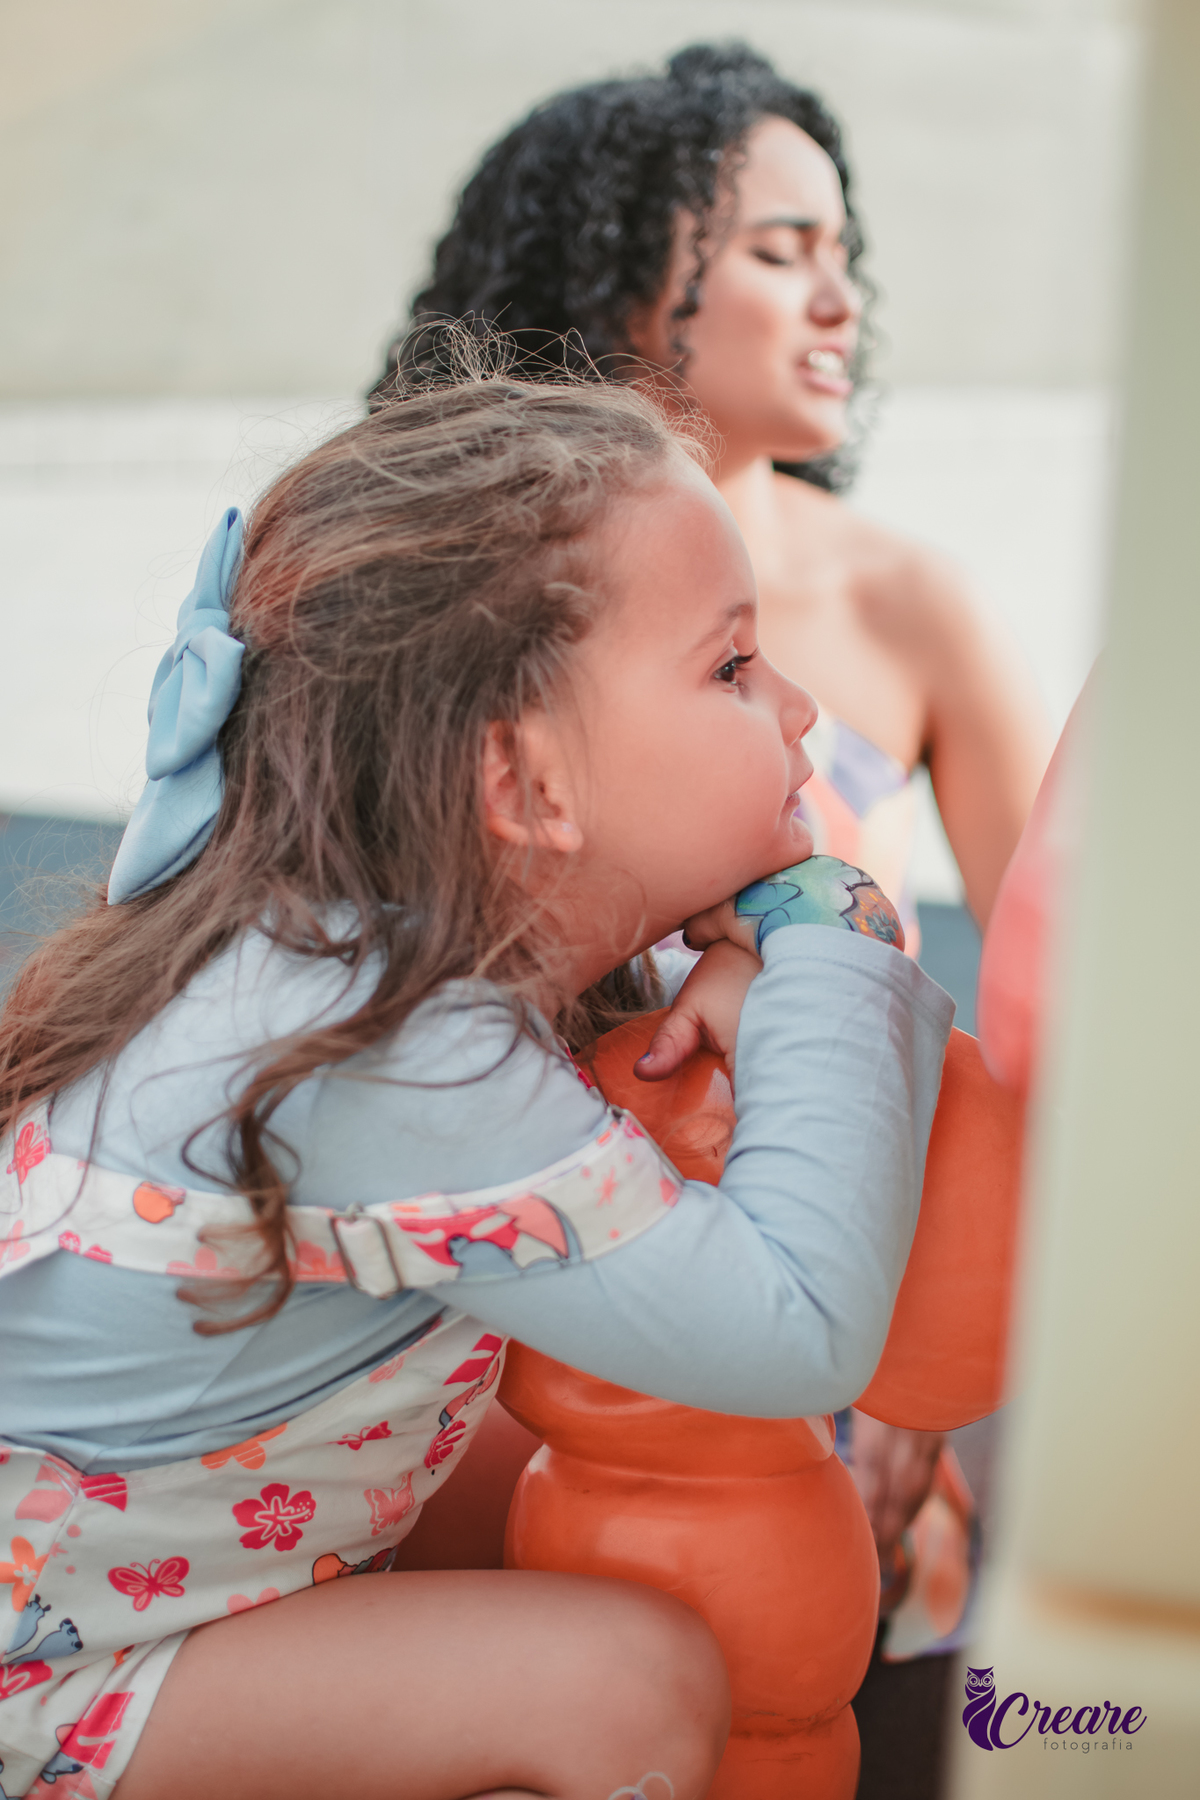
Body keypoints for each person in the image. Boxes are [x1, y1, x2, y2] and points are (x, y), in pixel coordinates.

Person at [0, 355, 953, 1800]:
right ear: (526, 789)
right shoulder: (385, 1035)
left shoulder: (387, 960)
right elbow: (800, 1327)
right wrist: (837, 935)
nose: (803, 709)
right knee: (632, 1686)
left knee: (624, 1514)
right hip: (47, 1665)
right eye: (733, 666)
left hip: (194, 1548)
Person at [371, 39, 1051, 1653]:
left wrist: (934, 1363)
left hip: (850, 1347)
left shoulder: (908, 604)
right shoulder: (443, 611)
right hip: (507, 1330)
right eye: (776, 249)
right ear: (613, 277)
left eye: (844, 254)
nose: (839, 301)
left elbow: (1045, 1023)